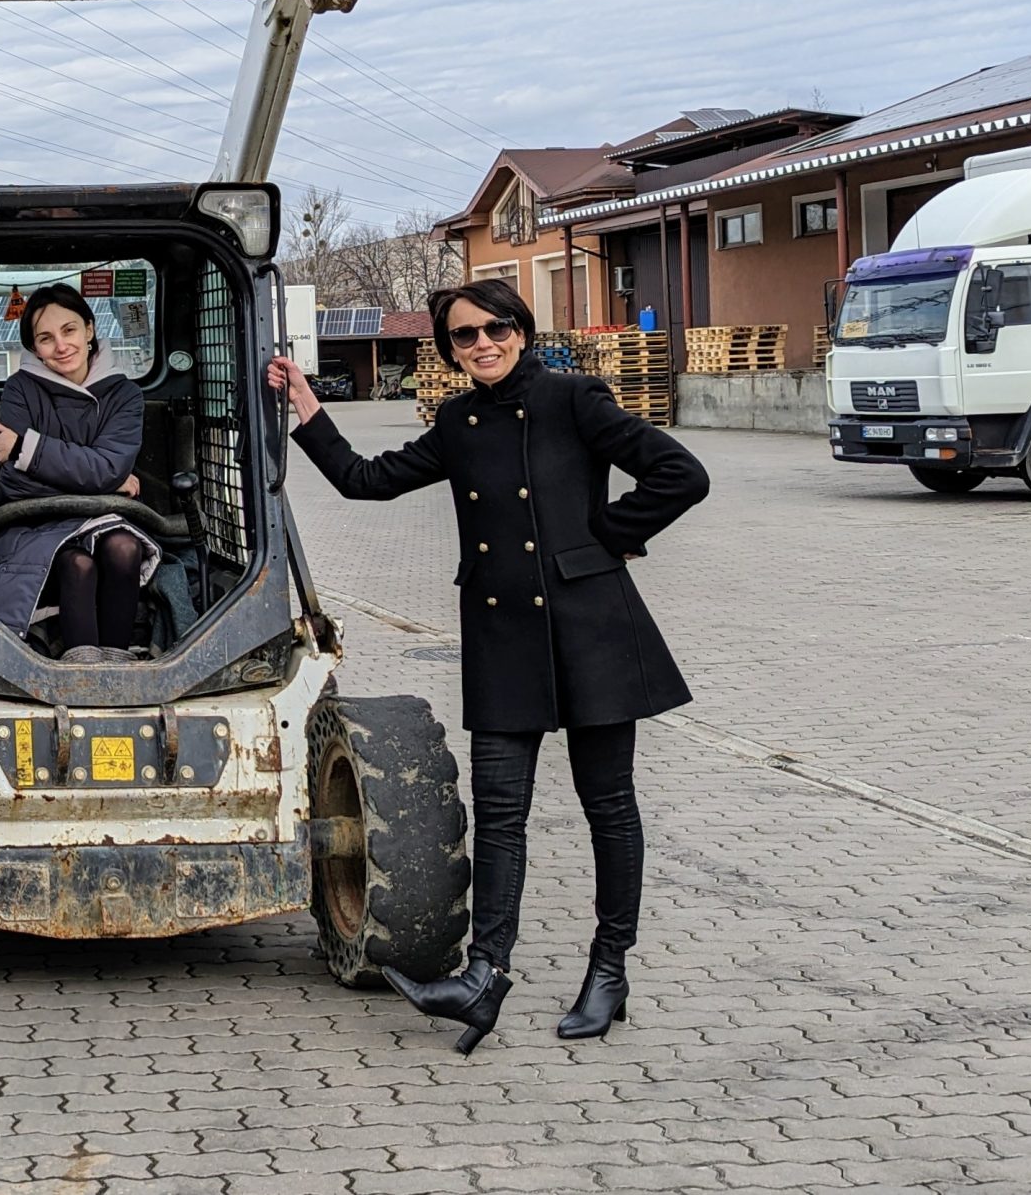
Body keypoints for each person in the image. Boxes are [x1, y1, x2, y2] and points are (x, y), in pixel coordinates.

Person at [266, 278, 708, 1052]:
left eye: (495, 328)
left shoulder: (576, 399)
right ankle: (484, 976)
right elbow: (364, 480)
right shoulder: (459, 420)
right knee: (501, 815)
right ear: (451, 350)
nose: (482, 344)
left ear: (522, 329)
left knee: (609, 805)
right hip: (504, 642)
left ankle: (610, 968)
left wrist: (602, 537)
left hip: (592, 632)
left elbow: (682, 475)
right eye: (464, 336)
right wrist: (307, 401)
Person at [0, 282, 157, 660]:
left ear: (89, 329)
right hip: (31, 525)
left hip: (103, 521)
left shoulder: (125, 396)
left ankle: (117, 664)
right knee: (77, 561)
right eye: (46, 338)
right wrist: (104, 483)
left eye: (69, 330)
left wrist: (26, 449)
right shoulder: (20, 389)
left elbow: (109, 465)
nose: (61, 346)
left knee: (124, 547)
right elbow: (17, 483)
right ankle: (81, 665)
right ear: (35, 348)